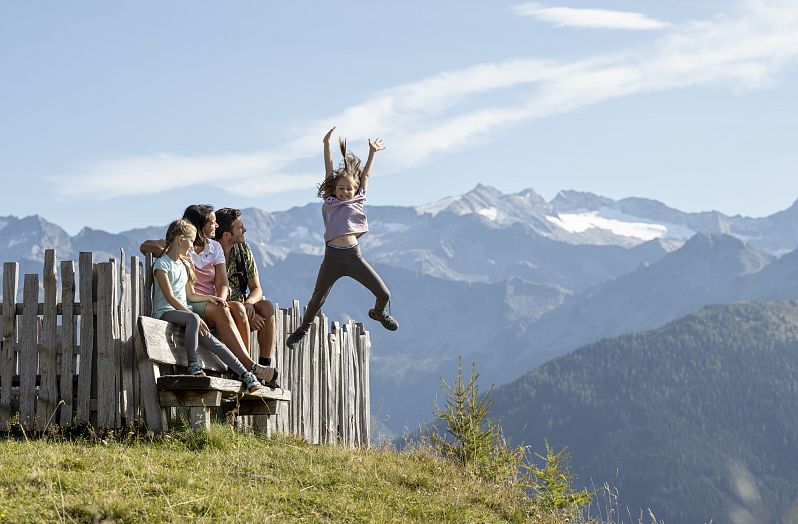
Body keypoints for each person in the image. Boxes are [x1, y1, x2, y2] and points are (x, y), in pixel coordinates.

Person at [286, 126, 398, 349]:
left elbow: (365, 175)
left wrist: (372, 152)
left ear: (355, 190)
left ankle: (378, 313)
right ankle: (303, 328)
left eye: (349, 189)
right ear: (334, 189)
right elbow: (329, 170)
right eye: (341, 188)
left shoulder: (359, 199)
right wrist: (326, 145)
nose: (345, 192)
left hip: (354, 257)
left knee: (384, 293)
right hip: (332, 258)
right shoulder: (330, 201)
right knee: (318, 298)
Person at [141, 205, 278, 387]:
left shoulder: (214, 248)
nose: (216, 226)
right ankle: (247, 367)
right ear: (200, 225)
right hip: (190, 303)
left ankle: (245, 368)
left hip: (204, 301)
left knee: (235, 306)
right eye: (212, 222)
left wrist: (221, 298)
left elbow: (222, 283)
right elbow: (146, 246)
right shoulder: (183, 247)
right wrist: (172, 251)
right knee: (224, 311)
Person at [214, 207, 277, 370]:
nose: (245, 230)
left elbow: (256, 288)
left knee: (267, 307)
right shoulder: (210, 251)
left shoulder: (243, 250)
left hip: (243, 308)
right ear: (227, 235)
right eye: (240, 227)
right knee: (238, 308)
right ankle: (245, 368)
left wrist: (249, 304)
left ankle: (264, 366)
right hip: (221, 309)